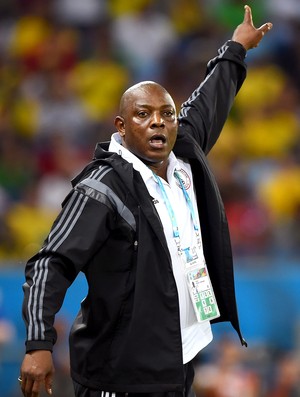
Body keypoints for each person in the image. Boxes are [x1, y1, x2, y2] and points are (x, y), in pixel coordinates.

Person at [19, 5, 272, 397]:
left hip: (179, 363)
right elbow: (51, 262)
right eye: (143, 114)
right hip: (120, 377)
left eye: (166, 114)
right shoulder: (101, 189)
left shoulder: (184, 154)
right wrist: (38, 342)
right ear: (121, 126)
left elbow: (209, 101)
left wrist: (236, 47)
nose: (158, 121)